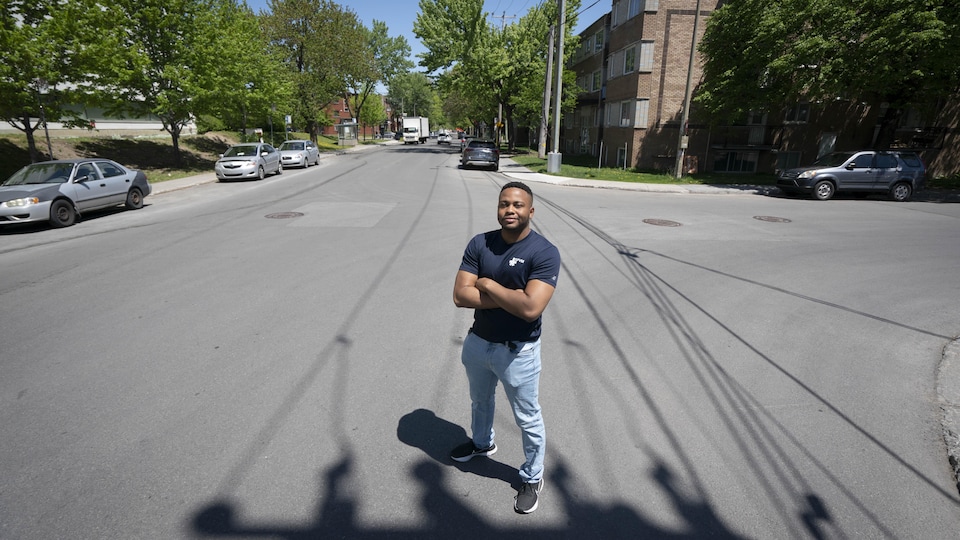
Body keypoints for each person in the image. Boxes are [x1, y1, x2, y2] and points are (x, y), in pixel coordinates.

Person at [451, 181, 561, 514]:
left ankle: (532, 476)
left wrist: (485, 283)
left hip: (519, 352)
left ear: (530, 211)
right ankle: (483, 444)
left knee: (527, 418)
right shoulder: (480, 243)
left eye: (516, 204)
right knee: (480, 400)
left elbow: (530, 309)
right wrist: (509, 297)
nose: (509, 210)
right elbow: (459, 296)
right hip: (478, 343)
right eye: (503, 204)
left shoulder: (544, 253)